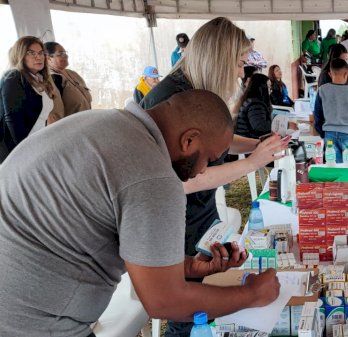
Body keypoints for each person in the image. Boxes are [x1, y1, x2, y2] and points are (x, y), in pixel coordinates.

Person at [0, 89, 282, 337]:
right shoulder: (152, 176)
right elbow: (164, 302)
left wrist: (184, 266)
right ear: (189, 141)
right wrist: (252, 293)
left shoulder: (106, 123)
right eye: (208, 158)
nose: (202, 170)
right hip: (30, 322)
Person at [139, 17, 289, 337]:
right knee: (188, 313)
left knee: (202, 302)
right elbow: (181, 180)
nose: (240, 73)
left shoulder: (196, 90)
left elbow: (218, 138)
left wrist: (257, 146)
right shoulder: (172, 99)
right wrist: (252, 162)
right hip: (177, 222)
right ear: (219, 59)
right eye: (237, 63)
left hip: (199, 216)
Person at [1, 36, 63, 162]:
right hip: (15, 151)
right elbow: (13, 119)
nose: (38, 57)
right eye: (31, 53)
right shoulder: (13, 76)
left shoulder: (38, 79)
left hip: (35, 145)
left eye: (41, 53)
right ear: (20, 55)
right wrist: (24, 152)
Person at [313, 59, 348, 162]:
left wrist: (323, 133)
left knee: (334, 168)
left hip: (329, 135)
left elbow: (317, 116)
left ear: (330, 74)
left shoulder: (322, 90)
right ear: (346, 74)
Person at [44, 41, 92, 122]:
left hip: (88, 123)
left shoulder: (73, 74)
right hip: (72, 129)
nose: (66, 56)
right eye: (61, 54)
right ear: (48, 58)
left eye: (65, 53)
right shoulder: (53, 79)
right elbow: (55, 116)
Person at [235, 74, 274, 139]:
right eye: (269, 87)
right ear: (262, 87)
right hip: (249, 143)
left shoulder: (251, 100)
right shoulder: (255, 104)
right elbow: (260, 126)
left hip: (247, 140)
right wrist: (280, 125)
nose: (270, 90)